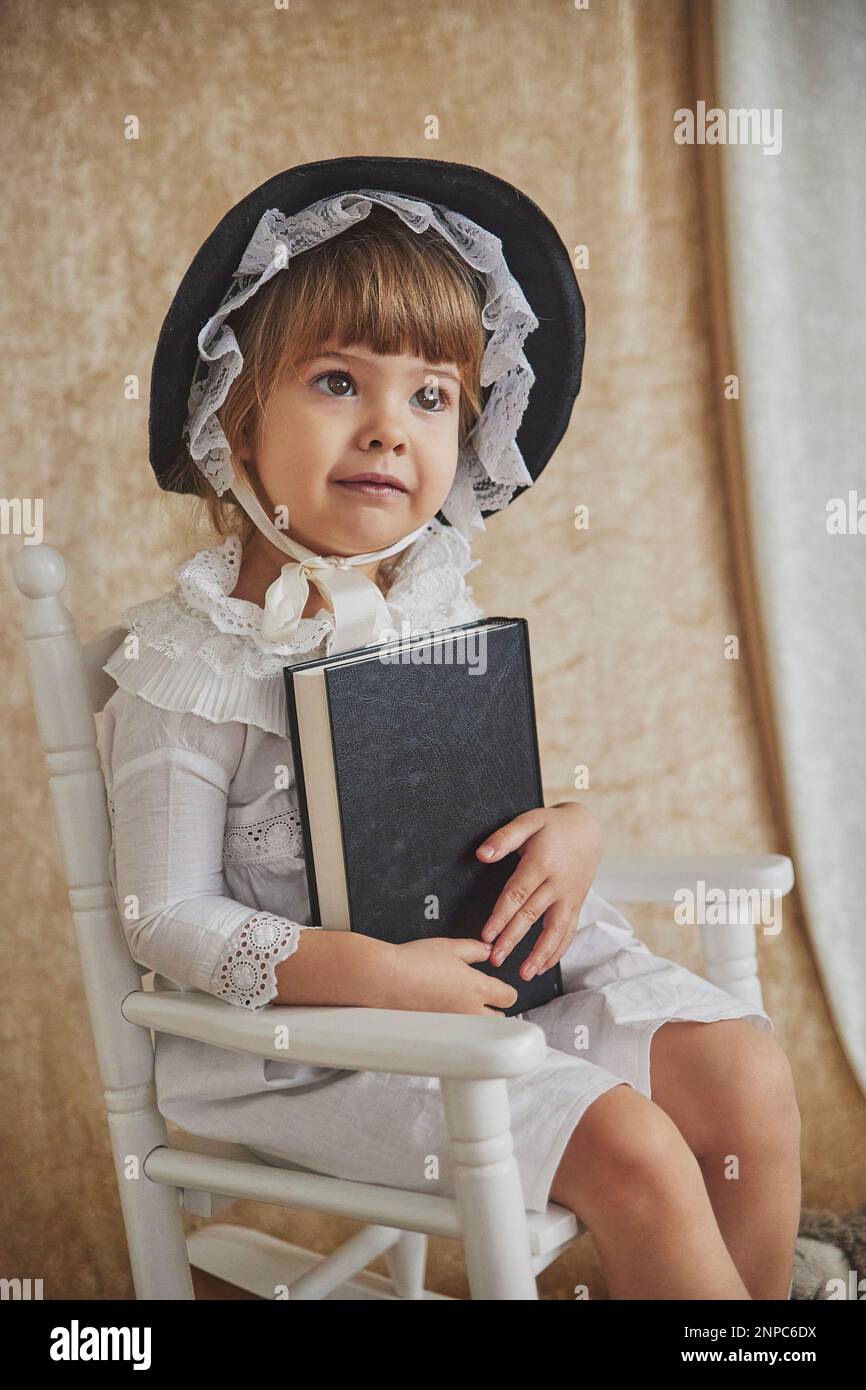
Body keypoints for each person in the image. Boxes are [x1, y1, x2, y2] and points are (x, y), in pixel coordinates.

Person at [98, 159, 800, 1300]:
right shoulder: (192, 662)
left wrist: (573, 830)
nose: (388, 428)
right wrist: (373, 976)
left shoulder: (436, 610)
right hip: (315, 1045)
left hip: (492, 978)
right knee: (634, 1150)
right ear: (234, 410)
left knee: (744, 1073)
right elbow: (165, 916)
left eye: (429, 397)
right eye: (338, 381)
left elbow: (486, 820)